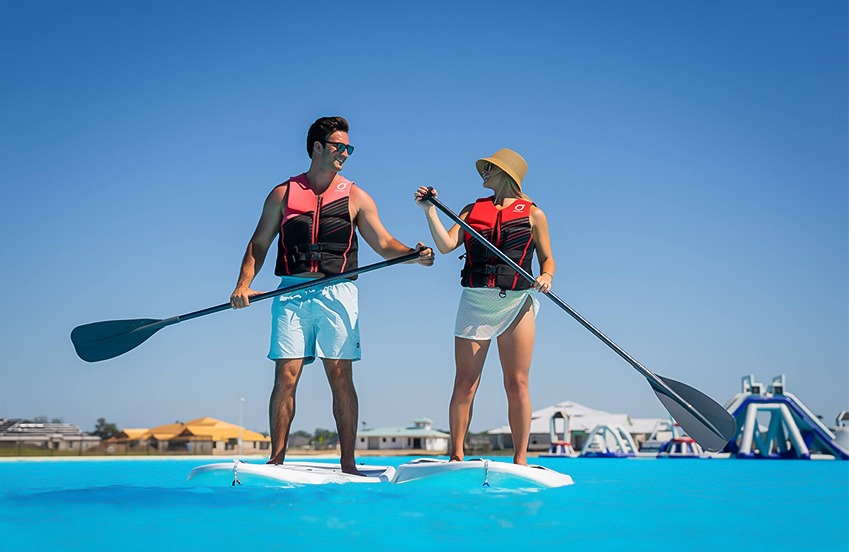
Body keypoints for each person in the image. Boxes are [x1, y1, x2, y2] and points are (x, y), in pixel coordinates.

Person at [232, 116, 433, 474]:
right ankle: (277, 457)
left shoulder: (356, 196)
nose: (345, 153)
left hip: (337, 293)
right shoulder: (283, 194)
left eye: (348, 148)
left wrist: (412, 256)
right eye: (339, 146)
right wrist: (243, 285)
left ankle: (348, 461)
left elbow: (385, 244)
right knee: (286, 375)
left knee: (341, 376)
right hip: (291, 293)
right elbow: (259, 243)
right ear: (317, 148)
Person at [414, 148, 554, 465]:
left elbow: (548, 258)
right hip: (476, 301)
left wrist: (546, 275)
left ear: (507, 173)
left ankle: (520, 460)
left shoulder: (534, 214)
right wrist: (430, 211)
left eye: (489, 168)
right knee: (465, 382)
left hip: (517, 302)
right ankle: (457, 455)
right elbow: (447, 245)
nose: (483, 172)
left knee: (516, 382)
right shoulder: (469, 210)